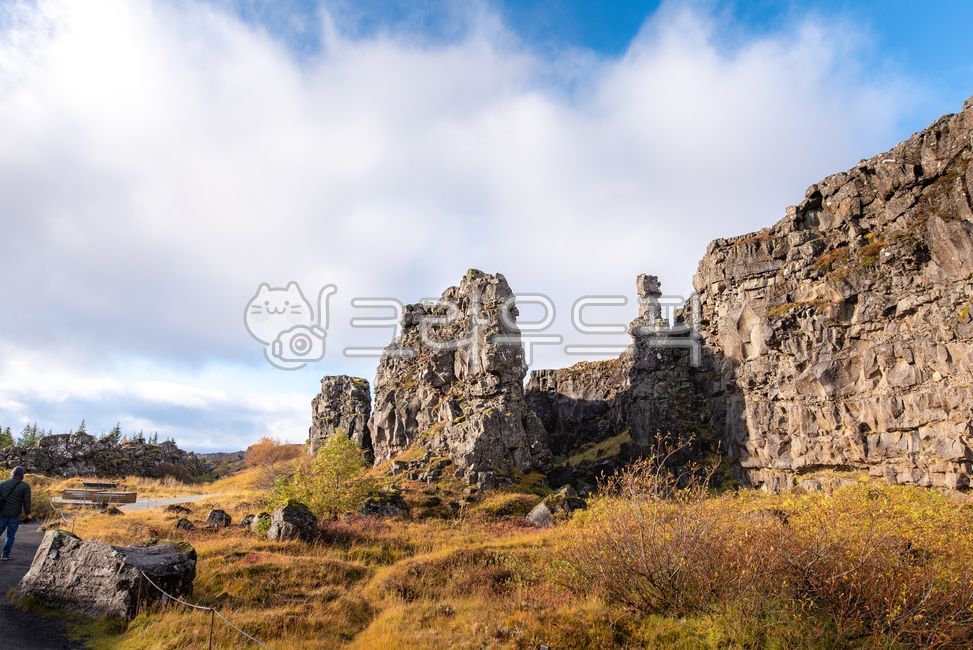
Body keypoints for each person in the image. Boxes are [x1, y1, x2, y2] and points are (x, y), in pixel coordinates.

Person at [0, 466, 32, 561]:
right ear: (22, 475)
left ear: (11, 474)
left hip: (1, 513)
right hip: (14, 515)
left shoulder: (1, 483)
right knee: (10, 536)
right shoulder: (25, 486)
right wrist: (28, 513)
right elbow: (26, 501)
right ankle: (5, 555)